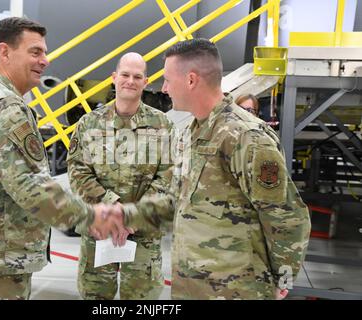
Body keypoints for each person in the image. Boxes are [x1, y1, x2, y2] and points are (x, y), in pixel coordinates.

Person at [115, 39, 311, 299]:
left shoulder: (245, 137)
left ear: (191, 80)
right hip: (192, 285)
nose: (163, 89)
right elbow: (180, 197)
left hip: (237, 288)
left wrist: (282, 279)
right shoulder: (191, 132)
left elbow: (285, 215)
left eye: (168, 80)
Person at [0, 17, 118, 300]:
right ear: (5, 52)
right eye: (35, 52)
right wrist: (91, 217)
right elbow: (30, 187)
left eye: (44, 52)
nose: (45, 61)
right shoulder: (6, 108)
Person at [67, 52, 174, 300]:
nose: (130, 81)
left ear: (146, 82)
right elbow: (78, 171)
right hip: (99, 228)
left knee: (141, 299)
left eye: (137, 76)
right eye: (125, 74)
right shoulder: (89, 123)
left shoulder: (162, 125)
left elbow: (169, 175)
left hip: (144, 232)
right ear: (114, 78)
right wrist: (112, 209)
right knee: (95, 297)